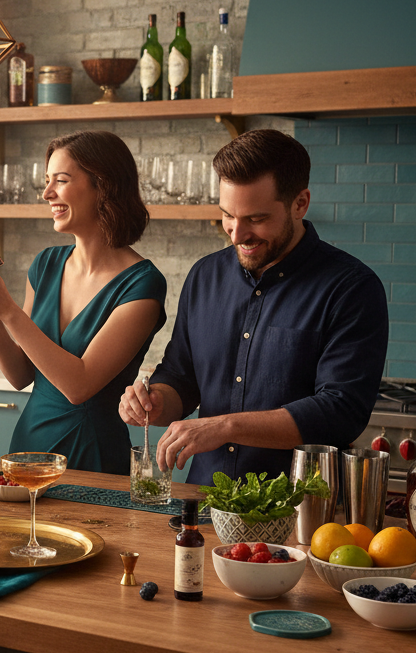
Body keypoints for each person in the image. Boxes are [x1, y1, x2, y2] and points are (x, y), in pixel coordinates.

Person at [118, 128, 389, 486]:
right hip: (204, 498)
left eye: (256, 219)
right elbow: (182, 378)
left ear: (300, 204)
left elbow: (340, 411)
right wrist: (152, 401)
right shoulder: (204, 275)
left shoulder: (351, 288)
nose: (236, 233)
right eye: (228, 215)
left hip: (298, 510)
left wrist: (227, 426)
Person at [0, 130, 166, 473]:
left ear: (103, 186)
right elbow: (21, 375)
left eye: (61, 181)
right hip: (28, 448)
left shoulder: (142, 284)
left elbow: (79, 386)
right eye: (47, 181)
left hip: (92, 453)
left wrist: (7, 309)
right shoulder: (46, 264)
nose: (47, 193)